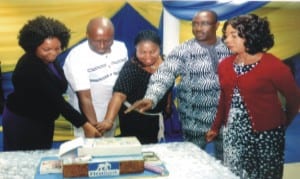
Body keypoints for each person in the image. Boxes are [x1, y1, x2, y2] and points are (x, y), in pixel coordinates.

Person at [125, 10, 231, 160]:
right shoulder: (183, 50)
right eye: (195, 24)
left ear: (217, 25)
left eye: (204, 24)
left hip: (226, 121)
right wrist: (151, 97)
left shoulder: (229, 48)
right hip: (194, 121)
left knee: (225, 165)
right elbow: (164, 74)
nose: (199, 28)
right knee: (195, 162)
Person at [206, 14, 300, 179]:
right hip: (233, 134)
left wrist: (283, 122)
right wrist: (215, 127)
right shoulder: (225, 66)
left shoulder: (274, 66)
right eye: (226, 35)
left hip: (266, 136)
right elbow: (224, 98)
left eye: (234, 35)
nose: (227, 40)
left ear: (250, 35)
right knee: (233, 174)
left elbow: (294, 99)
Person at [2, 16, 100, 151]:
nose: (53, 53)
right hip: (23, 121)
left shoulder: (48, 60)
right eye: (47, 49)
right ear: (33, 47)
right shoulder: (30, 67)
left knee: (41, 155)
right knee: (24, 163)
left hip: (44, 118)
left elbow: (57, 89)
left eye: (58, 48)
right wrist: (85, 125)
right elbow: (57, 100)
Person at [97, 30, 172, 144]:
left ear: (159, 49)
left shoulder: (168, 65)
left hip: (156, 118)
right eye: (142, 52)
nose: (147, 57)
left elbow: (169, 87)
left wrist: (168, 106)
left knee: (153, 151)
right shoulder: (131, 68)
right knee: (135, 151)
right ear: (135, 49)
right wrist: (108, 120)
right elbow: (119, 95)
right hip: (133, 118)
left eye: (152, 52)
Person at [63, 17, 128, 137]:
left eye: (108, 41)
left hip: (112, 114)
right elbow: (85, 98)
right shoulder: (77, 57)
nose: (102, 45)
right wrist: (94, 128)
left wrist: (109, 119)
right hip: (88, 118)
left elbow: (123, 86)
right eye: (97, 41)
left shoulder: (121, 49)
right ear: (87, 35)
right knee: (88, 152)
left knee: (108, 149)